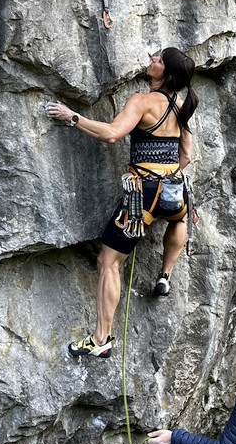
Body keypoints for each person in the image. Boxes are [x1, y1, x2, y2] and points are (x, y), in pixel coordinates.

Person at [47, 48, 198, 359]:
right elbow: (186, 156)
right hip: (174, 189)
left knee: (109, 262)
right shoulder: (181, 107)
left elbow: (113, 134)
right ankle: (165, 273)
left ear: (165, 72)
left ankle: (101, 338)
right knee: (179, 220)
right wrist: (168, 179)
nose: (151, 59)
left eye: (157, 59)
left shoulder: (142, 101)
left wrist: (73, 117)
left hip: (143, 191)